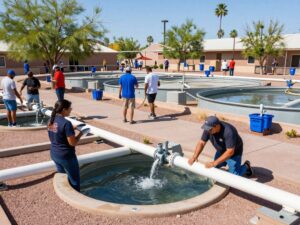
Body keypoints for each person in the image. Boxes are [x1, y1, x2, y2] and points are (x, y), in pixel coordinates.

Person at [188, 116, 253, 177]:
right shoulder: (208, 129)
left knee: (235, 175)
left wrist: (214, 163)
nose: (208, 131)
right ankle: (221, 163)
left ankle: (246, 165)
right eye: (207, 129)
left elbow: (230, 152)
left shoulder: (229, 132)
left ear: (216, 126)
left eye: (210, 129)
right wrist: (194, 156)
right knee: (215, 168)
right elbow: (201, 142)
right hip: (221, 150)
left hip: (234, 152)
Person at [48, 99, 84, 192]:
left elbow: (57, 131)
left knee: (63, 176)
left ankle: (65, 193)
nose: (71, 109)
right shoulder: (66, 123)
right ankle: (77, 197)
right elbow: (73, 143)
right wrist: (81, 133)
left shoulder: (51, 120)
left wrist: (72, 128)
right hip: (66, 156)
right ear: (64, 110)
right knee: (74, 180)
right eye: (69, 108)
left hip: (54, 153)